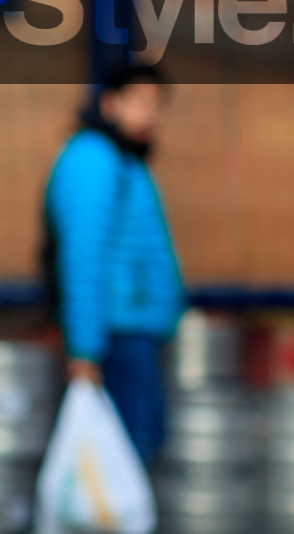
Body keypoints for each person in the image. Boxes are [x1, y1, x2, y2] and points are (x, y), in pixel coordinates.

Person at [44, 62, 185, 463]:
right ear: (110, 104)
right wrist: (85, 351)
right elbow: (84, 257)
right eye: (139, 102)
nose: (149, 115)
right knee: (119, 465)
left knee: (133, 460)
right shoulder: (94, 160)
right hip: (114, 338)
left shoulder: (124, 161)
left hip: (133, 332)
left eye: (156, 105)